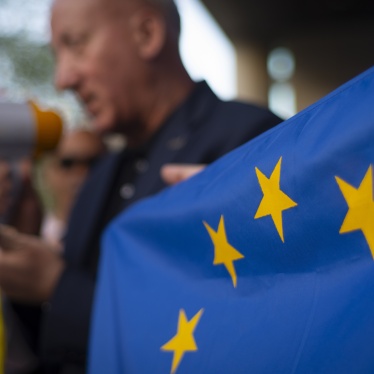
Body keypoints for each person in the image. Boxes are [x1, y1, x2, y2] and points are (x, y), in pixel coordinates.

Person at [0, 0, 281, 372]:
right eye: (57, 54)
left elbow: (238, 333)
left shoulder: (253, 143)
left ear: (147, 34)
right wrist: (24, 265)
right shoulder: (102, 173)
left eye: (76, 43)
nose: (62, 79)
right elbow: (60, 352)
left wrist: (58, 288)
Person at [39, 129, 107, 245]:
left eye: (94, 163)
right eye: (67, 163)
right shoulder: (29, 234)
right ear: (47, 173)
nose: (81, 173)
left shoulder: (119, 238)